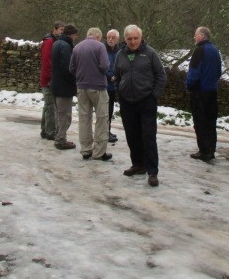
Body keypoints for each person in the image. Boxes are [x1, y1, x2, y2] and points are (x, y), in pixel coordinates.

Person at [114, 25, 166, 187]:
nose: (133, 41)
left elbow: (161, 75)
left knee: (148, 136)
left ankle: (152, 172)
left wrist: (153, 95)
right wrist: (119, 94)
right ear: (125, 39)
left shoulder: (150, 53)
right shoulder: (120, 55)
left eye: (135, 38)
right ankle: (138, 165)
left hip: (146, 101)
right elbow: (117, 76)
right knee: (132, 135)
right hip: (127, 102)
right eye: (129, 39)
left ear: (141, 37)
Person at [69, 27, 112, 161]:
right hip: (98, 87)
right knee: (102, 118)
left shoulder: (77, 48)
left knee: (84, 118)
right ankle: (99, 152)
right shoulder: (100, 47)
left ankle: (86, 149)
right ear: (98, 36)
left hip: (81, 87)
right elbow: (105, 66)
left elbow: (71, 68)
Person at [186, 26, 222, 162]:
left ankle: (204, 151)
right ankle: (211, 150)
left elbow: (194, 72)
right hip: (212, 90)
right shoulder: (215, 50)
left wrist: (189, 85)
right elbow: (218, 72)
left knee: (200, 121)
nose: (194, 37)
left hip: (200, 92)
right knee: (210, 122)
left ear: (201, 35)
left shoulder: (200, 51)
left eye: (195, 35)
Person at [51, 24, 79, 150]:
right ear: (71, 34)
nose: (76, 37)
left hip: (56, 84)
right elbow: (69, 68)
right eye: (75, 34)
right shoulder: (66, 46)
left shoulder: (57, 43)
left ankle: (59, 137)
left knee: (59, 113)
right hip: (64, 86)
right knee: (65, 115)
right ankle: (61, 140)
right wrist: (74, 82)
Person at [39, 21, 65, 140]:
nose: (62, 32)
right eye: (60, 30)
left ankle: (45, 130)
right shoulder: (49, 41)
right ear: (54, 29)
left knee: (48, 105)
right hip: (48, 79)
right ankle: (50, 132)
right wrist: (49, 78)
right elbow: (47, 61)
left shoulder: (53, 41)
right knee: (50, 106)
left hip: (48, 78)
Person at [104, 29, 121, 143]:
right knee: (104, 111)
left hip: (113, 86)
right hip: (103, 84)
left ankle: (107, 131)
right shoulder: (102, 49)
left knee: (110, 111)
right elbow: (100, 65)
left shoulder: (119, 51)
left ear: (117, 39)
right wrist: (110, 76)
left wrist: (117, 75)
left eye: (113, 37)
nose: (110, 39)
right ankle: (104, 133)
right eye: (109, 37)